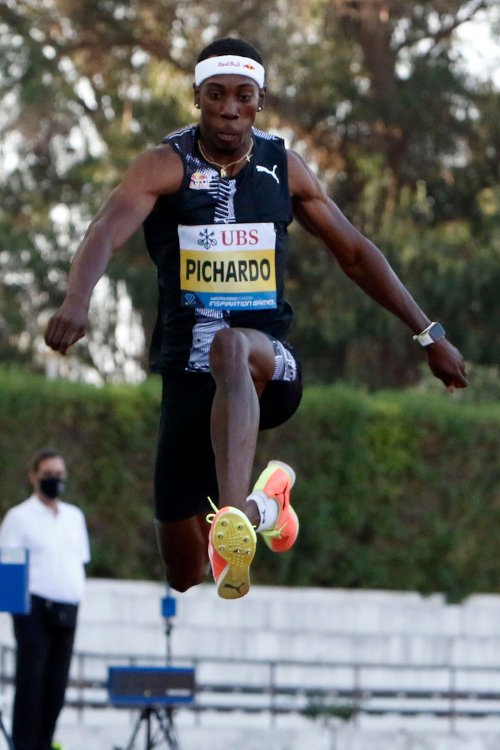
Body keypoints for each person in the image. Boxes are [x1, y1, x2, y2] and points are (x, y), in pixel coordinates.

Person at [44, 37, 467, 601]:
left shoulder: (283, 167)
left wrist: (427, 332)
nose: (229, 109)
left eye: (243, 96)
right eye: (216, 95)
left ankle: (234, 513)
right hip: (188, 376)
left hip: (269, 368)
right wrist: (77, 299)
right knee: (185, 572)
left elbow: (355, 252)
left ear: (260, 101)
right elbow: (105, 229)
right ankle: (266, 506)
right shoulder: (166, 164)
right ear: (197, 97)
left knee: (231, 345)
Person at [0, 449, 90, 750]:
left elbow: (79, 560)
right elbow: (9, 565)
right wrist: (17, 613)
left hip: (68, 608)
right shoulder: (19, 517)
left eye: (59, 474)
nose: (55, 479)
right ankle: (24, 744)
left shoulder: (74, 517)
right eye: (48, 474)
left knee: (56, 687)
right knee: (31, 684)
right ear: (34, 476)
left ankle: (44, 742)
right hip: (34, 609)